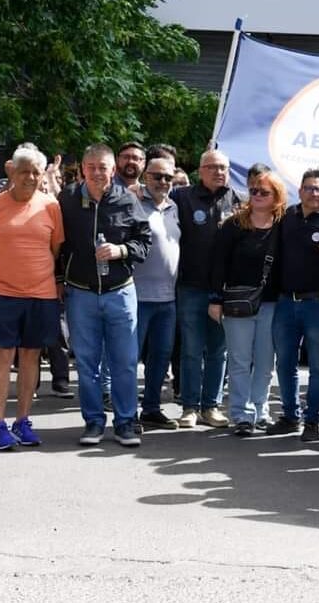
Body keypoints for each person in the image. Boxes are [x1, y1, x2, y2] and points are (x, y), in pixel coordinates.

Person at [59, 144, 151, 446]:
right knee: (87, 363)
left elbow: (143, 243)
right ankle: (94, 422)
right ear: (83, 168)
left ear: (113, 170)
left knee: (124, 362)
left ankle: (125, 423)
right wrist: (60, 280)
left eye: (104, 167)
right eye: (92, 166)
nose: (98, 172)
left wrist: (121, 250)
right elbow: (57, 245)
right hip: (81, 293)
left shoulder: (128, 200)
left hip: (120, 292)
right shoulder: (68, 198)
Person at [0, 145, 65, 450]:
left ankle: (22, 421)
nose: (30, 177)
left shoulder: (51, 206)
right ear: (11, 170)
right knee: (2, 356)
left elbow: (54, 249)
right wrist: (5, 272)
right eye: (24, 171)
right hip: (1, 293)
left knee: (30, 357)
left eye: (36, 173)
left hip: (41, 294)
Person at [269, 169, 319, 441]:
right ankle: (290, 415)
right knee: (285, 363)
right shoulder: (287, 217)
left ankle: (312, 420)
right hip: (285, 302)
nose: (314, 193)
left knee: (318, 366)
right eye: (309, 188)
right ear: (300, 190)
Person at [210, 165, 286, 436]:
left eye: (263, 192)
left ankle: (260, 410)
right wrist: (215, 299)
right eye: (253, 190)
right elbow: (218, 265)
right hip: (237, 303)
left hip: (272, 304)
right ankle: (241, 414)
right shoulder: (233, 225)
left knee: (266, 362)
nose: (256, 195)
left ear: (276, 196)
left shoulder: (283, 226)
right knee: (240, 361)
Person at [173, 149, 245, 428]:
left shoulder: (238, 199)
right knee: (191, 349)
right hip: (191, 286)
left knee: (218, 350)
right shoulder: (182, 197)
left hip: (224, 290)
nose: (219, 172)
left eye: (223, 167)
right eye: (213, 167)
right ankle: (189, 407)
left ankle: (211, 407)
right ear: (200, 171)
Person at [134, 155, 181, 430]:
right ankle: (127, 413)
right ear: (145, 176)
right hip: (138, 296)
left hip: (169, 297)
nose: (162, 182)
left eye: (167, 177)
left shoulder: (176, 206)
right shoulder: (133, 203)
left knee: (161, 357)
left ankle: (151, 408)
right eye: (156, 176)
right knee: (131, 358)